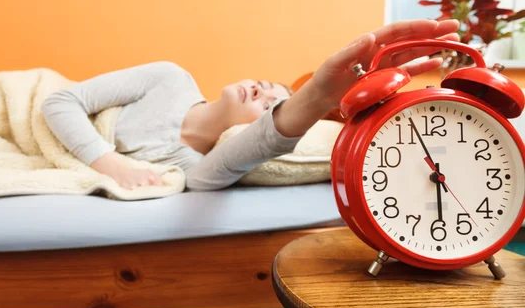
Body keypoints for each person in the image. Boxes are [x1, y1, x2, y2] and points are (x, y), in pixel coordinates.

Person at [42, 19, 460, 191]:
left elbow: (254, 149)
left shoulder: (188, 167)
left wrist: (316, 97)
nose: (259, 91)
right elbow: (60, 99)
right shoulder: (170, 78)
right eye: (262, 85)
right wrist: (111, 163)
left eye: (268, 104)